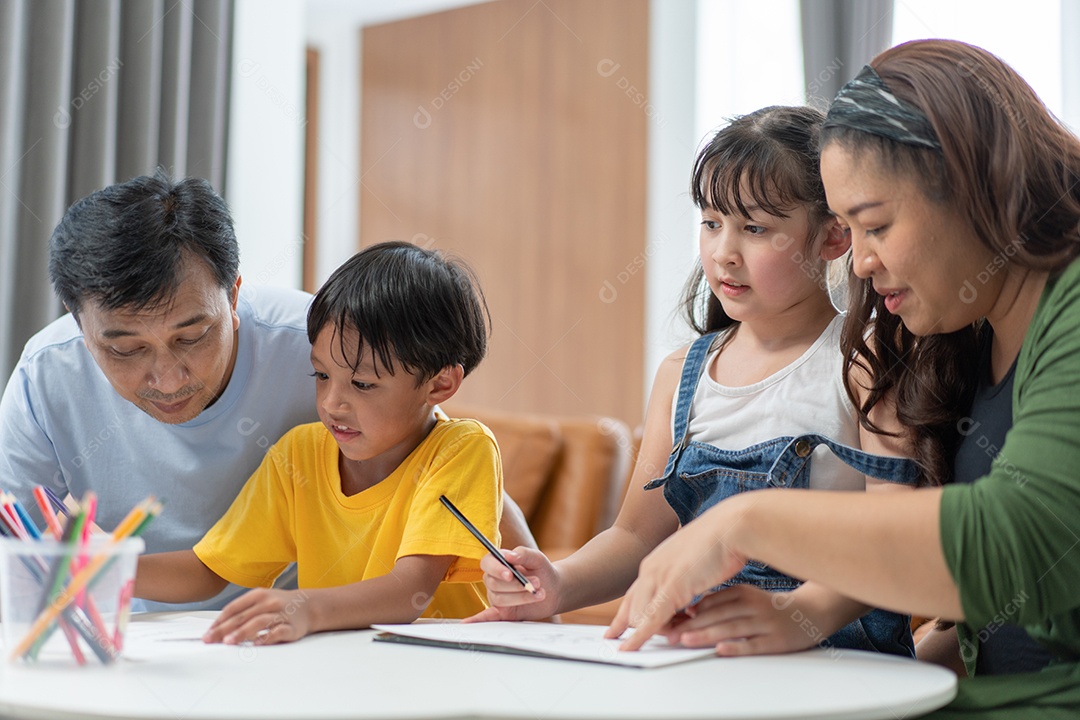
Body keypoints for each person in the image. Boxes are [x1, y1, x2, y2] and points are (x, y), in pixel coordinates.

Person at [611, 40, 1080, 718]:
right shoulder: (969, 333)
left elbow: (1024, 541)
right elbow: (989, 622)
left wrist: (743, 522)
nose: (857, 262)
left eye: (876, 225)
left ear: (977, 187)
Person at [471, 106, 920, 657]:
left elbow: (900, 538)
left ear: (832, 237)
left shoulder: (865, 361)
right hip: (710, 659)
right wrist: (556, 582)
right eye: (711, 223)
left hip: (840, 660)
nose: (723, 253)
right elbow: (636, 537)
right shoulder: (682, 373)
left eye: (755, 229)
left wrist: (795, 615)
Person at [0, 171, 534, 615]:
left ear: (234, 295)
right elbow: (207, 569)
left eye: (192, 336)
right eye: (125, 350)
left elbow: (441, 467)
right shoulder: (299, 452)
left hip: (325, 640)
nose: (167, 378)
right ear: (77, 323)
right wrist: (95, 567)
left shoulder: (330, 339)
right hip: (165, 631)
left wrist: (542, 603)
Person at [135, 241, 503, 644]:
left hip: (444, 669)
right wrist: (104, 567)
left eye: (362, 384)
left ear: (440, 383)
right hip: (343, 669)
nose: (331, 404)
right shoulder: (300, 453)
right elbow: (210, 570)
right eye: (321, 375)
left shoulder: (461, 449)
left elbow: (408, 593)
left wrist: (304, 607)